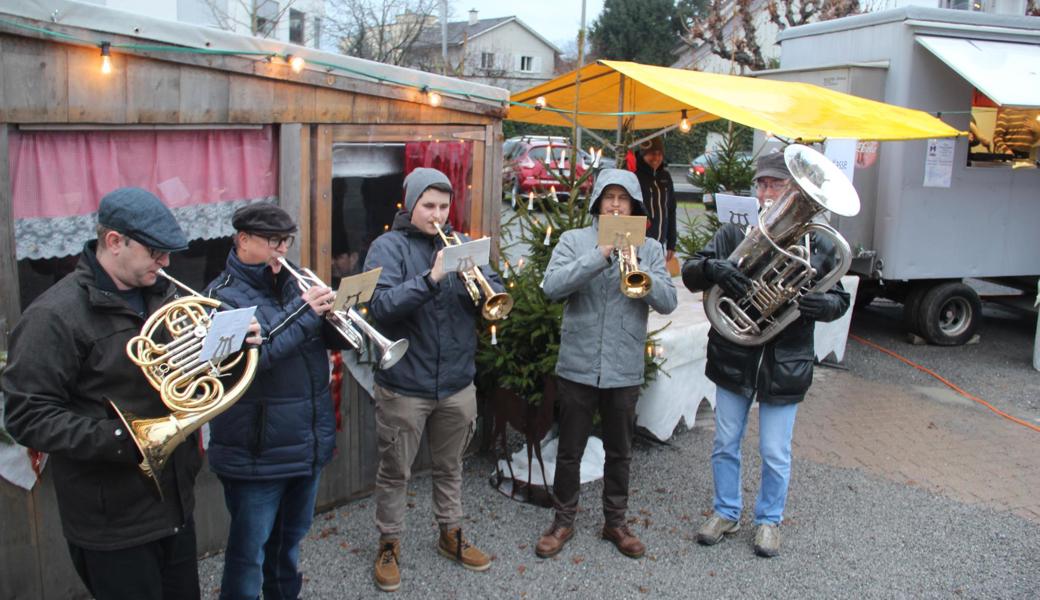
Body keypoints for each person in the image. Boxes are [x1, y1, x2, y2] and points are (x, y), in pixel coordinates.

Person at [2, 188, 213, 599]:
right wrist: (125, 439)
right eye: (156, 253)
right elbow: (26, 415)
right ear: (115, 242)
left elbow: (179, 378)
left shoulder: (163, 297)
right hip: (112, 521)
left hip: (175, 504)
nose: (166, 263)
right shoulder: (53, 316)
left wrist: (228, 349)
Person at [681, 151, 850, 558]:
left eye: (775, 184)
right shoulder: (732, 233)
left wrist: (825, 307)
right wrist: (713, 270)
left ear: (794, 190)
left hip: (784, 363)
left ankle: (769, 521)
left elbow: (840, 298)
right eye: (762, 184)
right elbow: (690, 272)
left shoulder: (818, 242)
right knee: (725, 441)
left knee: (775, 450)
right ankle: (726, 511)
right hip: (734, 354)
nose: (767, 191)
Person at [362, 167, 504, 592]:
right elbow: (381, 308)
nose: (438, 214)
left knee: (450, 466)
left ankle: (451, 534)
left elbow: (492, 290)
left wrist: (480, 289)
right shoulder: (386, 247)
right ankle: (389, 543)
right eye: (429, 206)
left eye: (444, 206)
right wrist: (432, 278)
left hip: (457, 381)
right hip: (405, 383)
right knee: (394, 471)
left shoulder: (462, 245)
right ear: (411, 203)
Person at [534, 169, 677, 560]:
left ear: (633, 205)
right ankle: (563, 520)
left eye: (623, 198)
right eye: (609, 197)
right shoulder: (573, 240)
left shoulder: (649, 246)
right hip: (578, 363)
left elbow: (668, 302)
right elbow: (551, 287)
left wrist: (640, 270)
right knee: (570, 449)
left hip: (624, 364)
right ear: (598, 202)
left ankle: (615, 522)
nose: (615, 204)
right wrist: (599, 256)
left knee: (620, 451)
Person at [204, 203, 342, 600]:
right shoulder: (220, 297)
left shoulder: (294, 286)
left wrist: (334, 321)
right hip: (255, 452)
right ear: (242, 240)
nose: (282, 250)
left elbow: (307, 342)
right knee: (248, 556)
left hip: (303, 443)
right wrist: (304, 312)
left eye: (286, 241)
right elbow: (248, 362)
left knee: (288, 545)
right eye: (272, 242)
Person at [633, 136, 677, 263]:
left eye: (659, 154)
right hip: (639, 243)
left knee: (657, 279)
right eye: (652, 154)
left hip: (659, 244)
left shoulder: (665, 177)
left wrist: (671, 243)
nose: (656, 158)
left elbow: (671, 210)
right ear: (643, 155)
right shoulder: (634, 176)